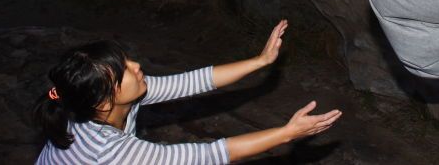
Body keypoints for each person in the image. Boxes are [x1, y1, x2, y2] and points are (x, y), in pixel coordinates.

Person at [34, 20, 342, 164]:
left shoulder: (96, 104)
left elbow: (192, 81)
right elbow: (208, 155)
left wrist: (260, 61)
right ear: (103, 101)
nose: (136, 65)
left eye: (125, 59)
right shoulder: (109, 152)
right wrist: (287, 133)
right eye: (123, 71)